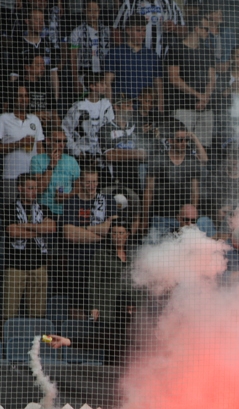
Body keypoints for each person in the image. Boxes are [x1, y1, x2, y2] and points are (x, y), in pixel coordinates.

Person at [3, 173, 55, 332]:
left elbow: (51, 228)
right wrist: (39, 230)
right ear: (20, 188)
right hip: (15, 268)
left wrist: (25, 226)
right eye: (30, 187)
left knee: (38, 314)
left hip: (39, 268)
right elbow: (13, 232)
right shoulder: (9, 208)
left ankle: (36, 345)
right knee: (8, 312)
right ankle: (6, 345)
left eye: (35, 188)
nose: (34, 191)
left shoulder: (44, 208)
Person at [62, 168, 116, 319]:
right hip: (78, 262)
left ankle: (98, 335)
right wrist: (99, 232)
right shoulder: (71, 202)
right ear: (80, 182)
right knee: (77, 305)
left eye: (94, 182)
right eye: (87, 182)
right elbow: (69, 234)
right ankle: (77, 337)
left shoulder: (108, 200)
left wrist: (82, 229)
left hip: (102, 261)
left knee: (100, 304)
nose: (91, 186)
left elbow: (111, 230)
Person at [88, 219, 142, 366]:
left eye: (121, 233)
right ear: (110, 235)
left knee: (129, 346)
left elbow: (139, 282)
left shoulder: (133, 257)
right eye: (114, 233)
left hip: (128, 311)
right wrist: (94, 306)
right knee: (111, 347)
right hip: (107, 309)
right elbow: (93, 282)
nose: (118, 236)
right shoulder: (101, 254)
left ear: (127, 235)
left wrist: (137, 305)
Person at [142, 122, 205, 239]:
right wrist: (145, 218)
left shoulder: (192, 161)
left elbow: (195, 191)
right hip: (161, 216)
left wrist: (191, 218)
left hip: (184, 221)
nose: (184, 143)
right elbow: (148, 190)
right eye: (179, 140)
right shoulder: (158, 160)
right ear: (170, 141)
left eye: (186, 140)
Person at [167, 17, 216, 147]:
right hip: (183, 107)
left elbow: (212, 78)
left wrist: (204, 98)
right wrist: (198, 95)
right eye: (205, 29)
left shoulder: (208, 51)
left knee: (203, 147)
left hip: (205, 109)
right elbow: (174, 78)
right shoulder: (176, 49)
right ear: (196, 28)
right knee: (181, 146)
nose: (208, 32)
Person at [114, 0, 186, 57]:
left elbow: (184, 31)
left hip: (165, 57)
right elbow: (116, 31)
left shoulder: (169, 4)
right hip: (138, 57)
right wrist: (125, 54)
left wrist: (174, 27)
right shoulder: (129, 4)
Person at [0, 83, 44, 201]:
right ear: (13, 98)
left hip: (32, 177)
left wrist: (41, 172)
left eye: (26, 96)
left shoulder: (34, 119)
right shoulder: (4, 118)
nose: (24, 99)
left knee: (32, 213)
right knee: (10, 212)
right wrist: (19, 144)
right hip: (11, 176)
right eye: (20, 96)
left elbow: (40, 147)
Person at [105, 19, 163, 106]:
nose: (142, 34)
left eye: (144, 31)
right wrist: (109, 107)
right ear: (128, 30)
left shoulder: (152, 56)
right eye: (138, 30)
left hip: (146, 108)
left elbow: (158, 84)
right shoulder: (115, 53)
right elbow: (107, 82)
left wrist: (160, 108)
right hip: (123, 106)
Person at [62, 73, 115, 164]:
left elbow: (112, 129)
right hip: (81, 155)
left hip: (102, 156)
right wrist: (76, 151)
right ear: (92, 86)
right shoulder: (78, 107)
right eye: (102, 84)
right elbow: (65, 130)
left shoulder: (107, 106)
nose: (105, 87)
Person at [29, 128, 79, 217]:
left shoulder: (72, 161)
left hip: (67, 210)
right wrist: (52, 164)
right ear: (48, 141)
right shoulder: (36, 160)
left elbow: (79, 187)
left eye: (64, 141)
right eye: (58, 141)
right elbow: (38, 189)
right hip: (44, 209)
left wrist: (67, 196)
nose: (62, 145)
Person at [68, 0, 112, 97]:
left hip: (103, 76)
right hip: (85, 76)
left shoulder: (107, 31)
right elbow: (73, 57)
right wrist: (75, 79)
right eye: (90, 10)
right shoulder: (76, 32)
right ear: (84, 11)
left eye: (95, 10)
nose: (93, 14)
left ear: (99, 11)